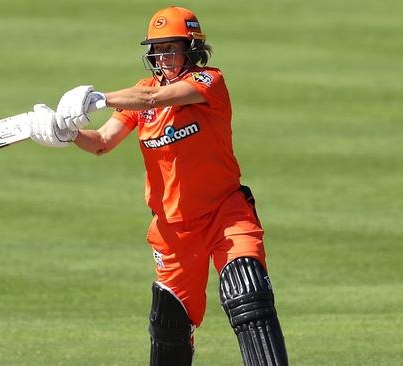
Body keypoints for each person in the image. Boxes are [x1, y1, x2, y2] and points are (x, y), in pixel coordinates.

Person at [28, 6, 288, 366]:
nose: (163, 57)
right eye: (157, 49)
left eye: (171, 48)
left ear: (192, 48)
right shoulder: (142, 90)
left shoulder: (208, 82)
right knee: (169, 326)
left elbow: (154, 100)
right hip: (172, 230)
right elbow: (102, 140)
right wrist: (68, 133)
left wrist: (99, 98)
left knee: (248, 296)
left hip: (225, 214)